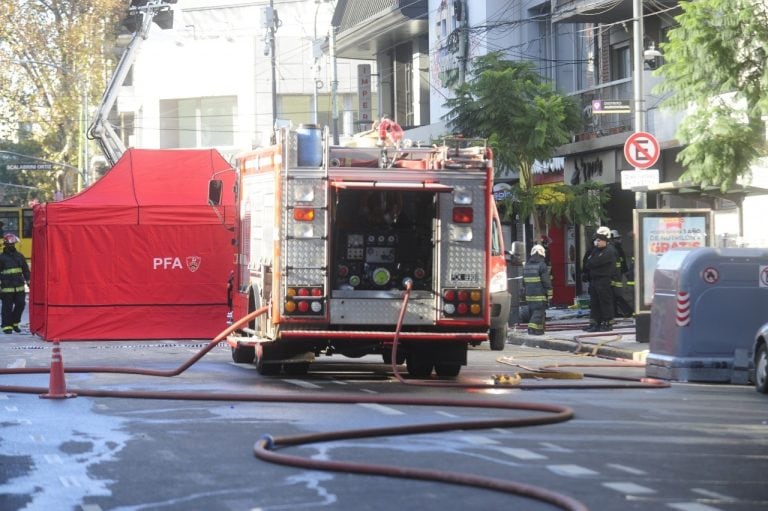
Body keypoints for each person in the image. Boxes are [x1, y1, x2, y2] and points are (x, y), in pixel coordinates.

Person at [582, 227, 617, 332]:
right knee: (595, 302)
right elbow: (588, 262)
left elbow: (595, 262)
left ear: (605, 240)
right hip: (595, 280)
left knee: (605, 302)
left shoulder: (610, 250)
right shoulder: (596, 250)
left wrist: (592, 263)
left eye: (598, 240)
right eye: (596, 240)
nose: (596, 242)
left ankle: (607, 323)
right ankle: (595, 323)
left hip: (604, 280)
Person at [0, 233, 30, 334]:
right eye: (9, 245)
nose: (11, 246)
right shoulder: (1, 258)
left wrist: (29, 281)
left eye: (13, 244)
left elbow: (25, 270)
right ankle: (6, 326)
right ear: (5, 244)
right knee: (7, 307)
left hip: (19, 287)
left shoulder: (20, 256)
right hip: (6, 287)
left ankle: (15, 323)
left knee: (21, 304)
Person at [523, 244, 552, 335]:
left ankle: (539, 330)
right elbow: (546, 281)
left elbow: (523, 282)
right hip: (539, 294)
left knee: (535, 312)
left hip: (529, 294)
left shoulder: (527, 265)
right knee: (539, 311)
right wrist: (550, 293)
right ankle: (531, 328)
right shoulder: (542, 265)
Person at [609, 229, 634, 319]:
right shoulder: (614, 249)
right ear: (612, 239)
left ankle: (627, 311)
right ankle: (627, 311)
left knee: (620, 294)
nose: (619, 240)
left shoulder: (618, 249)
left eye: (619, 238)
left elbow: (622, 263)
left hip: (622, 274)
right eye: (617, 238)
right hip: (618, 275)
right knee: (619, 294)